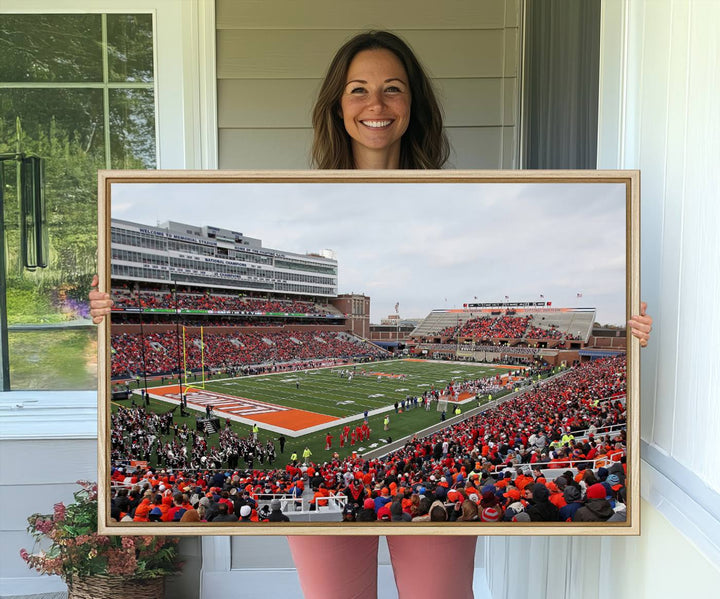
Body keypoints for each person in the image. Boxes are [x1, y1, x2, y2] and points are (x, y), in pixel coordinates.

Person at [89, 29, 653, 599]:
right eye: (358, 89)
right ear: (337, 104)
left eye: (393, 89)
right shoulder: (298, 193)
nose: (375, 105)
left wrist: (630, 335)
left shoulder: (459, 193)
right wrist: (106, 312)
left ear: (414, 104)